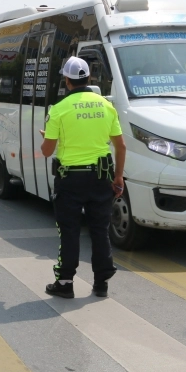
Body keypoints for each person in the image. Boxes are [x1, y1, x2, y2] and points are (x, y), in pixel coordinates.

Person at [40, 57, 126, 299]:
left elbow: (47, 151)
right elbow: (121, 146)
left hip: (69, 181)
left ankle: (65, 282)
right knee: (100, 229)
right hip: (101, 177)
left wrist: (48, 136)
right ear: (89, 79)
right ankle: (101, 284)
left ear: (67, 81)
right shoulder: (106, 106)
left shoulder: (59, 109)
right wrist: (118, 177)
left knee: (69, 231)